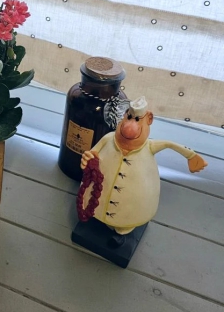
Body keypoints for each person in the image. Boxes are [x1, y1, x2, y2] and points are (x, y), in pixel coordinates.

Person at [80, 96, 208, 246]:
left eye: (137, 119)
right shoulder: (109, 138)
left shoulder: (149, 147)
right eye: (129, 117)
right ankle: (98, 219)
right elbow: (93, 153)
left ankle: (122, 231)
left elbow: (169, 144)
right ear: (124, 115)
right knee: (95, 206)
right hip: (98, 193)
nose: (130, 125)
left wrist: (191, 156)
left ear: (149, 120)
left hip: (133, 206)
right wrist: (87, 159)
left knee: (126, 221)